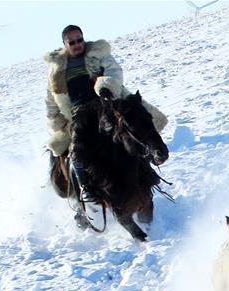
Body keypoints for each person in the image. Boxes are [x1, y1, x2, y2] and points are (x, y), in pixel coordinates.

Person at [44, 25, 168, 224]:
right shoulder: (57, 70)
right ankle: (85, 194)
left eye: (79, 40)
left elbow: (114, 71)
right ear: (65, 45)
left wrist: (105, 87)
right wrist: (57, 124)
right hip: (79, 114)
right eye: (72, 42)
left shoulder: (98, 53)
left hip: (107, 102)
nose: (77, 45)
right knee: (76, 151)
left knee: (134, 126)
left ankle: (148, 167)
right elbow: (52, 100)